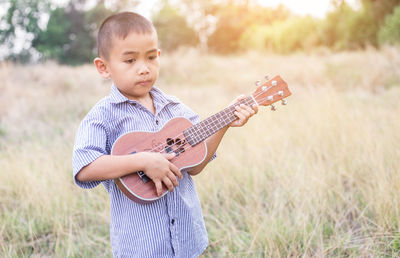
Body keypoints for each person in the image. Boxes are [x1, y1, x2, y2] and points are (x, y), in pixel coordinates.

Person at [72, 11, 258, 257]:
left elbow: (196, 165)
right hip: (141, 246)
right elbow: (84, 168)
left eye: (151, 58)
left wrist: (225, 122)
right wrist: (144, 161)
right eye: (130, 61)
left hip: (186, 240)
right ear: (104, 67)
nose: (143, 69)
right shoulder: (103, 116)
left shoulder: (176, 109)